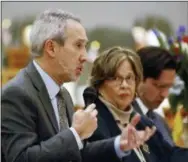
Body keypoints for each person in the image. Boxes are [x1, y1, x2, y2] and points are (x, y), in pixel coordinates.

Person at [1, 9, 155, 162]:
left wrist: (118, 144)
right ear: (51, 48)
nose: (85, 56)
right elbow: (21, 158)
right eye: (78, 45)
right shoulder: (17, 93)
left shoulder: (63, 95)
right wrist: (75, 133)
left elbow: (75, 152)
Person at [84, 46, 188, 162]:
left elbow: (170, 155)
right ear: (99, 83)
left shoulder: (142, 122)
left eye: (129, 78)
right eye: (115, 78)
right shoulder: (92, 121)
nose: (125, 85)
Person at [132, 46, 176, 146]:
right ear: (139, 78)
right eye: (160, 86)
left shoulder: (161, 121)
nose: (165, 94)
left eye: (169, 87)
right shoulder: (124, 118)